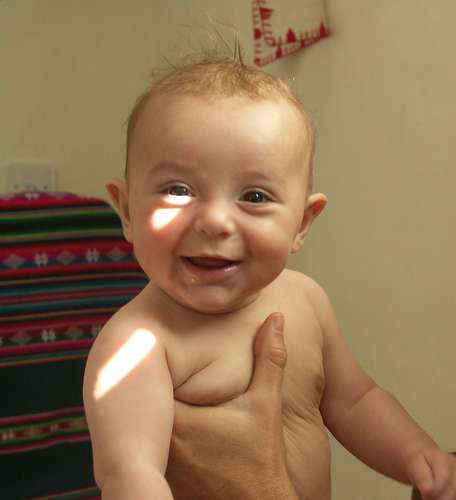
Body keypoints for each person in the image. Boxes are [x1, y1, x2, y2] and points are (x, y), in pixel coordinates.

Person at [83, 49, 456, 500]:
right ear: (126, 211)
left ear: (302, 224)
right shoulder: (138, 344)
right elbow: (130, 474)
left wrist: (417, 453)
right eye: (177, 190)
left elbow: (354, 400)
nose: (215, 221)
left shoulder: (307, 300)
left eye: (255, 196)